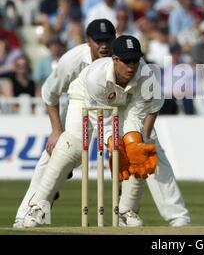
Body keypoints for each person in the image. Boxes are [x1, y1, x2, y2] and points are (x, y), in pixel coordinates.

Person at [22, 35, 158, 227]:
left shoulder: (146, 77)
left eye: (135, 60)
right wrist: (113, 146)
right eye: (126, 61)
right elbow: (103, 120)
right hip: (85, 96)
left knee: (137, 152)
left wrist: (133, 142)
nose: (131, 66)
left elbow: (136, 116)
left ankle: (127, 211)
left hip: (124, 103)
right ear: (115, 59)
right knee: (71, 148)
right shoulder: (96, 78)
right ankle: (37, 207)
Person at [13, 19, 116, 228]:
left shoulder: (120, 56)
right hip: (79, 98)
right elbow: (49, 93)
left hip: (112, 101)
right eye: (98, 41)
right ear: (88, 41)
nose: (103, 45)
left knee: (122, 149)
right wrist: (56, 130)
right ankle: (26, 215)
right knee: (62, 150)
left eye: (108, 40)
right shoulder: (72, 60)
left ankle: (122, 212)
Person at [119, 98, 191, 227]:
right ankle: (125, 212)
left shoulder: (150, 82)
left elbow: (153, 108)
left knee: (152, 156)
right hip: (115, 114)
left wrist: (145, 140)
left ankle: (177, 216)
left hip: (140, 115)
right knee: (130, 161)